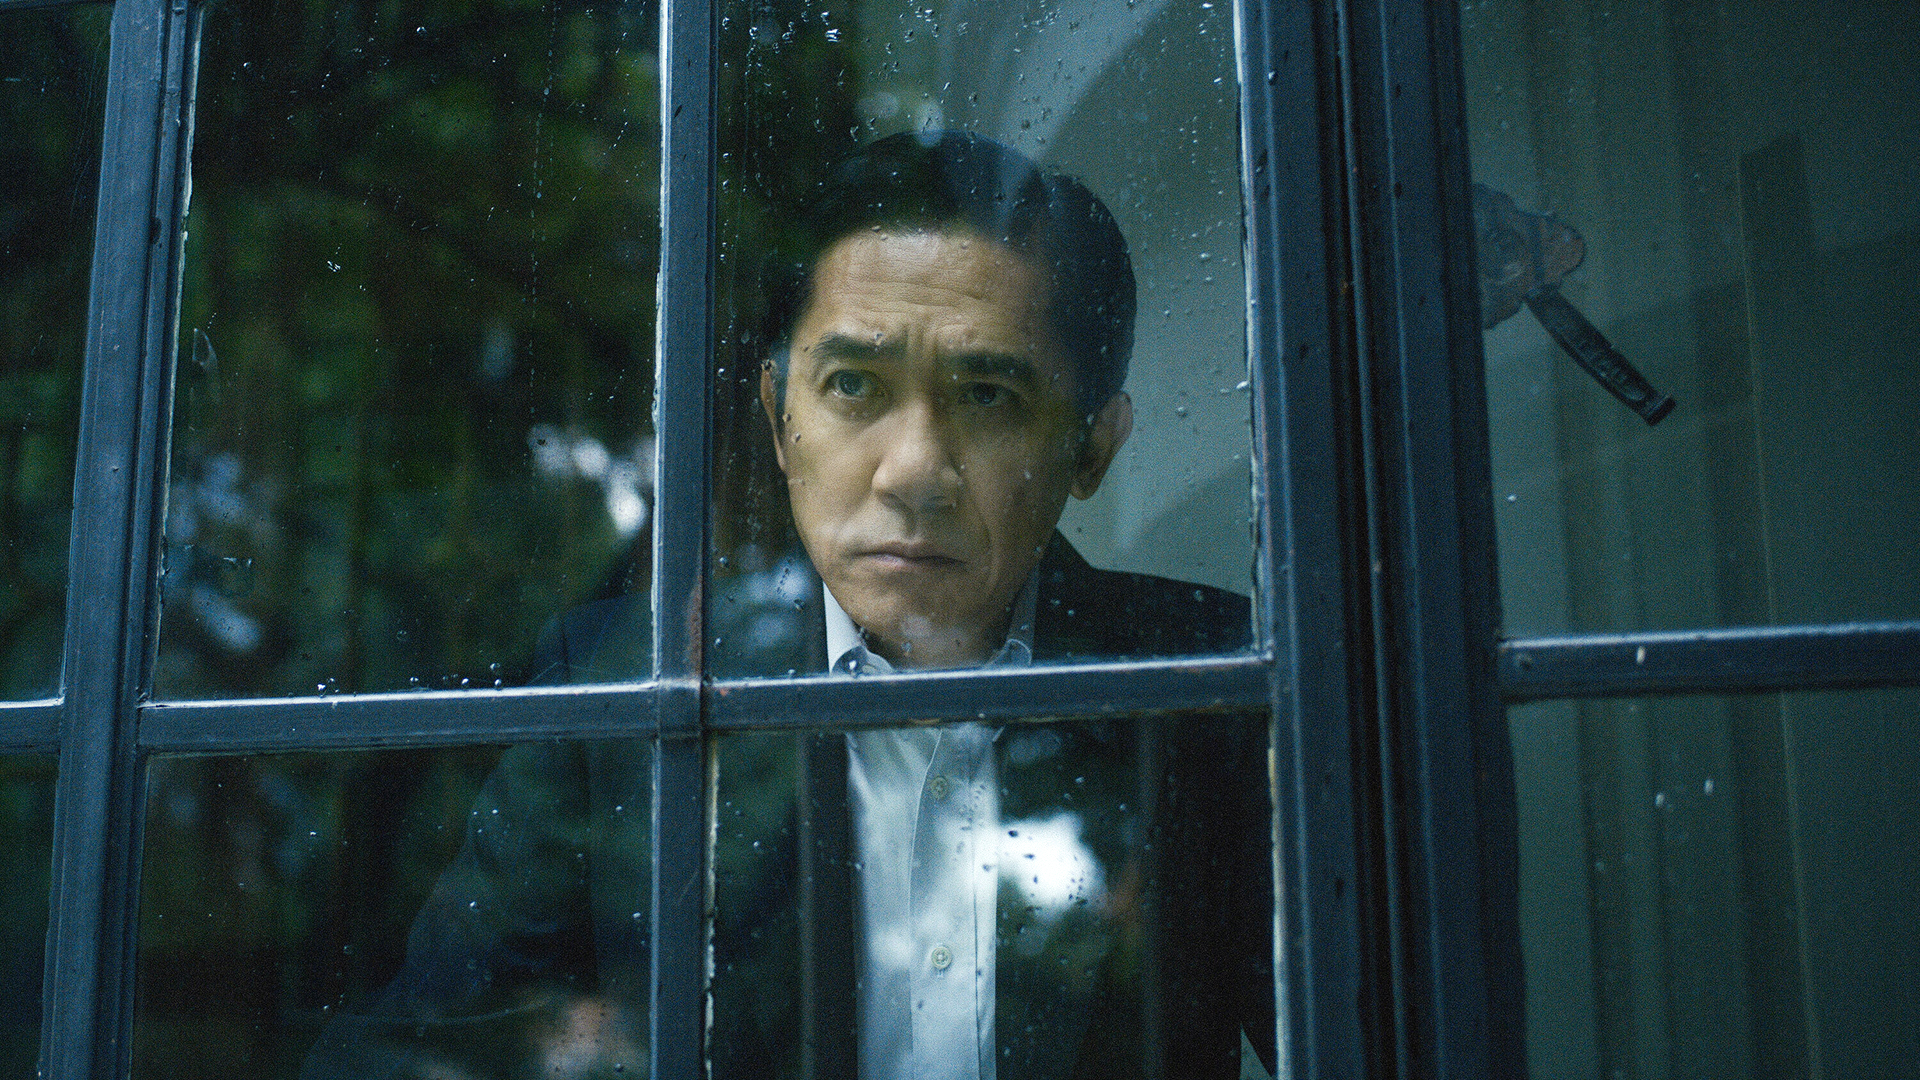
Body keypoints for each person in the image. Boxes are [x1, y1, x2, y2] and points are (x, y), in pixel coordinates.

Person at [304, 132, 1271, 1080]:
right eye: (853, 385)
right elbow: (414, 1047)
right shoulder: (616, 691)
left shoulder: (1224, 687)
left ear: (1091, 446)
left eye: (987, 395)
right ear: (777, 417)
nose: (912, 471)